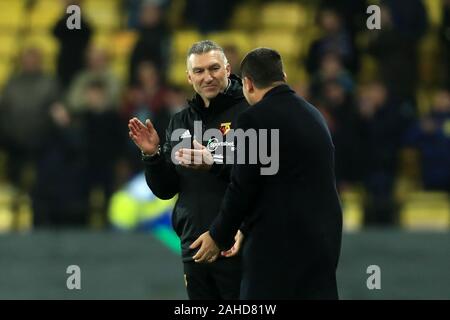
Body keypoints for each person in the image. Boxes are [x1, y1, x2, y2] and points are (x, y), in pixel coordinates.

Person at [189, 48, 343, 299]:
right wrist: (245, 227)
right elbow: (280, 180)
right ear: (282, 75)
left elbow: (243, 186)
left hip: (278, 251)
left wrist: (219, 235)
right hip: (323, 245)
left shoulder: (255, 118)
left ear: (247, 84)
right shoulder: (314, 115)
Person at [128, 40, 249, 299]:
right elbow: (166, 189)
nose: (208, 77)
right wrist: (153, 156)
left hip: (236, 245)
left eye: (214, 68)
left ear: (227, 69)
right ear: (189, 76)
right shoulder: (181, 121)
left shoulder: (249, 113)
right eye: (199, 71)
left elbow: (260, 176)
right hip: (194, 246)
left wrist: (244, 228)